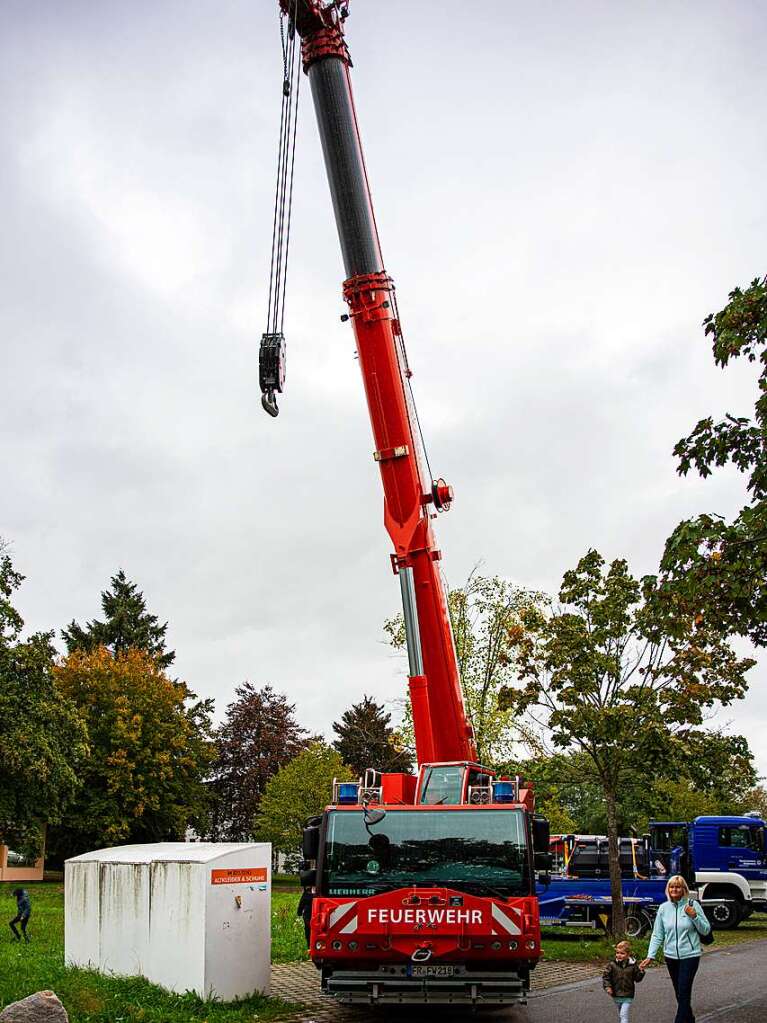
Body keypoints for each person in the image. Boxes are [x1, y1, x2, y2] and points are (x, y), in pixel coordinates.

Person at [640, 874, 711, 1023]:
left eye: (678, 887)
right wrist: (650, 956)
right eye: (672, 887)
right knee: (679, 992)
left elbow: (705, 930)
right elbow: (657, 934)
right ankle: (689, 1019)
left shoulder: (692, 905)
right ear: (668, 889)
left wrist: (694, 917)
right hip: (671, 956)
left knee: (684, 990)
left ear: (684, 889)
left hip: (690, 955)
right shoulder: (664, 908)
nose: (674, 889)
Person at [602, 939, 645, 1022]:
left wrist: (641, 971)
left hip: (628, 994)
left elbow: (637, 979)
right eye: (617, 953)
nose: (619, 955)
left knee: (623, 1014)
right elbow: (606, 976)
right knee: (621, 1013)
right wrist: (607, 987)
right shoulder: (612, 965)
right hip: (616, 993)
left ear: (628, 954)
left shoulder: (632, 966)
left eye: (622, 953)